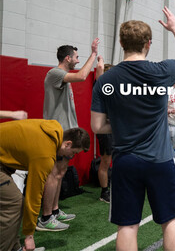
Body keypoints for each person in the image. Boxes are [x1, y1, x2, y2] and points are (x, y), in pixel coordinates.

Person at [91, 6, 175, 250]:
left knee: (127, 225)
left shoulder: (105, 79)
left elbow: (97, 126)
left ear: (121, 42)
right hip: (160, 159)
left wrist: (122, 125)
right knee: (170, 220)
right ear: (148, 43)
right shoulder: (161, 71)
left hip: (126, 161)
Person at [38, 38, 99, 231]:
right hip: (56, 134)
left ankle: (54, 211)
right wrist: (93, 54)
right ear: (67, 58)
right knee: (54, 174)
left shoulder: (63, 76)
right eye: (76, 57)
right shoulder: (55, 73)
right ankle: (46, 218)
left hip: (67, 134)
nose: (78, 60)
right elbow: (82, 76)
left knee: (61, 173)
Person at [0, 119, 90, 251]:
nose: (72, 156)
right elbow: (34, 194)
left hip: (4, 162)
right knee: (15, 203)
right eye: (74, 153)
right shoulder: (45, 155)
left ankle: (14, 247)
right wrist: (29, 235)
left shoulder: (54, 128)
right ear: (68, 144)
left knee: (13, 202)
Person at [95, 56, 114, 203]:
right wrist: (98, 57)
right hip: (105, 131)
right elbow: (100, 70)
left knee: (118, 159)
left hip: (117, 130)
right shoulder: (101, 88)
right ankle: (104, 192)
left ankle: (116, 186)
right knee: (105, 162)